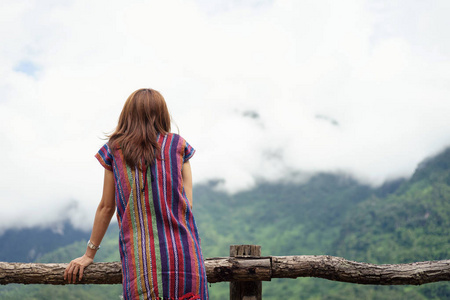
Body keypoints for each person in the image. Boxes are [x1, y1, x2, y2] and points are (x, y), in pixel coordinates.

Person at [64, 88, 209, 300]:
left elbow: (106, 207)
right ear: (162, 114)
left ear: (127, 115)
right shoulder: (178, 145)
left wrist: (89, 254)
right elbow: (187, 204)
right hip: (185, 259)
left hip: (142, 263)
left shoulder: (115, 149)